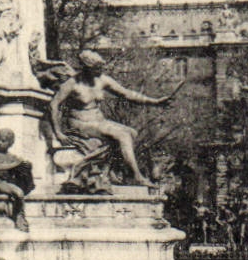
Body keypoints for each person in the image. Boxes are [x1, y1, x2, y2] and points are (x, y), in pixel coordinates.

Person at [48, 50, 181, 187]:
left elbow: (127, 94)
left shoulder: (102, 80)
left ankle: (113, 171)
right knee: (123, 135)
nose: (100, 71)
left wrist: (156, 102)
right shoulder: (72, 83)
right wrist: (58, 133)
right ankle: (136, 176)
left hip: (99, 122)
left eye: (100, 68)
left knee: (132, 133)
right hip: (80, 124)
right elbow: (53, 105)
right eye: (96, 69)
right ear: (86, 67)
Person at [0, 128, 34, 236]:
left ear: (10, 143)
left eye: (3, 141)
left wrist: (25, 165)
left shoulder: (11, 157)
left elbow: (21, 166)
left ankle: (19, 216)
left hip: (0, 182)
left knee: (19, 192)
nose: (0, 143)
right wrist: (17, 163)